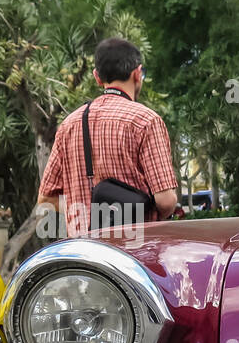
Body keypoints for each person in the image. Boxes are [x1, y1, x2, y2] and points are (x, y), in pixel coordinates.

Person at [38, 37, 179, 236]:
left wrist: (87, 209)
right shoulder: (146, 121)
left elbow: (46, 200)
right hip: (134, 252)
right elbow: (166, 201)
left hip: (85, 256)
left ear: (97, 77)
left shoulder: (69, 125)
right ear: (137, 74)